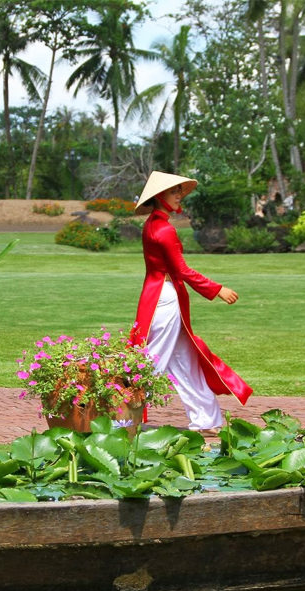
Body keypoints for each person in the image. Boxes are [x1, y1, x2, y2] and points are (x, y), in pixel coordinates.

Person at [129, 171, 253, 432]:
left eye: (178, 191)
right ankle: (122, 417)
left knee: (184, 360)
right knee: (153, 360)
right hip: (165, 298)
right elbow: (182, 270)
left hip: (160, 295)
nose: (178, 195)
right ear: (159, 196)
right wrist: (217, 289)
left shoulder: (154, 224)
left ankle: (206, 419)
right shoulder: (163, 229)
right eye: (173, 191)